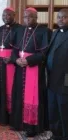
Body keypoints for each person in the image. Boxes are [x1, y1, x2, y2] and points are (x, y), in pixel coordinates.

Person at [9, 8, 51, 137]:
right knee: (18, 94)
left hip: (34, 69)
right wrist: (16, 60)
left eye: (30, 17)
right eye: (25, 17)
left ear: (36, 17)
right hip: (20, 67)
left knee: (33, 97)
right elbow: (14, 49)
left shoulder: (45, 31)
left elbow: (44, 53)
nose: (27, 19)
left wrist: (28, 60)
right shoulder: (19, 30)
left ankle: (31, 126)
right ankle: (18, 123)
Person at [0, 7, 21, 125]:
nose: (6, 17)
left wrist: (12, 58)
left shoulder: (20, 29)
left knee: (10, 89)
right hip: (0, 64)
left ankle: (11, 117)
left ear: (14, 15)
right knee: (0, 88)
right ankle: (0, 116)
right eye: (4, 15)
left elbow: (21, 48)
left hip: (12, 65)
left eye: (8, 15)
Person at [46, 8, 68, 140]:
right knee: (53, 109)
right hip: (52, 79)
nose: (61, 19)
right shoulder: (54, 33)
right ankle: (56, 134)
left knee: (64, 110)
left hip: (65, 80)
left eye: (64, 17)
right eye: (59, 17)